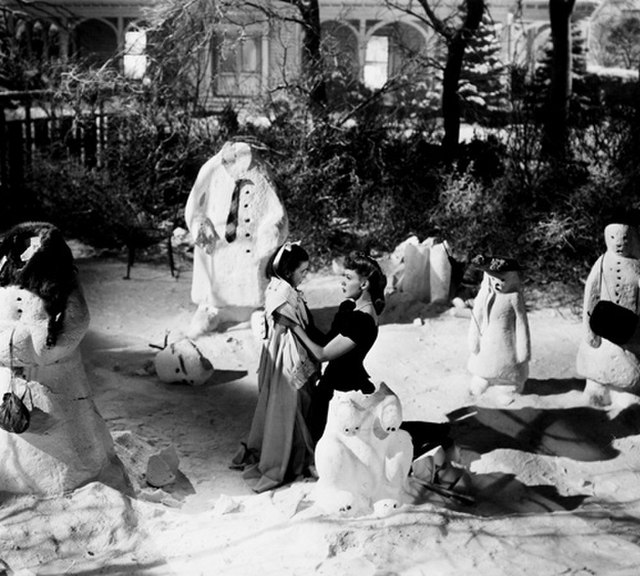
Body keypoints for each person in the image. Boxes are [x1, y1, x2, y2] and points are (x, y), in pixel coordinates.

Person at [231, 242, 321, 492]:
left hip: (289, 347)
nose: (305, 275)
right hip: (285, 352)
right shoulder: (280, 293)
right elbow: (282, 329)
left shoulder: (287, 288)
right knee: (288, 403)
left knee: (298, 403)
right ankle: (290, 458)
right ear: (289, 270)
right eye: (302, 271)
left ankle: (296, 453)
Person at [290, 251, 387, 442]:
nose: (342, 282)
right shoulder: (350, 310)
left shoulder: (363, 320)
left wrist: (293, 325)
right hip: (334, 381)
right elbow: (327, 341)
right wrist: (305, 318)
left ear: (364, 284)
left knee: (324, 441)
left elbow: (322, 353)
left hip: (343, 389)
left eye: (348, 277)